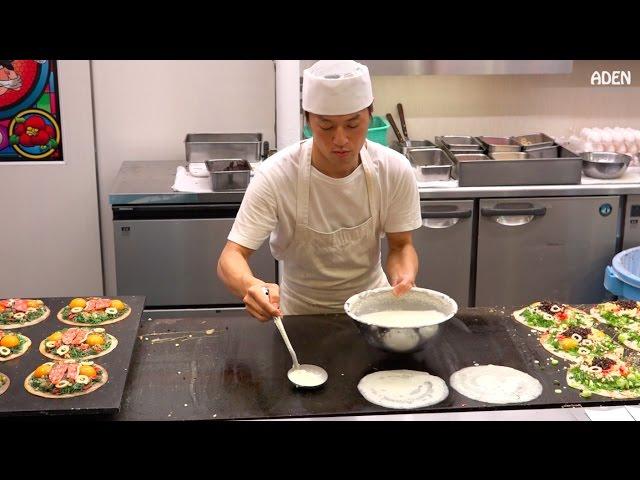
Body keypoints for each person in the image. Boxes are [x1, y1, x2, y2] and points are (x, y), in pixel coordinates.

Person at [217, 60, 422, 321]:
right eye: (326, 126)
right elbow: (231, 256)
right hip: (300, 317)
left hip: (372, 312)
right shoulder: (277, 175)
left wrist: (403, 276)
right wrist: (251, 286)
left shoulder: (394, 168)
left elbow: (401, 245)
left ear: (370, 116)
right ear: (308, 121)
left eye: (352, 124)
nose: (340, 139)